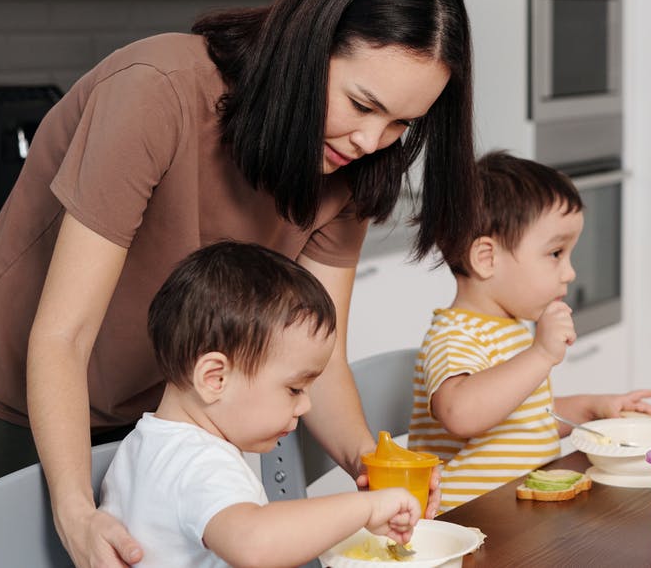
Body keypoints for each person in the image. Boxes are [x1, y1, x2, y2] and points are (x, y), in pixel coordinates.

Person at [0, 0, 477, 567]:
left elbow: (320, 357)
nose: (370, 141)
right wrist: (74, 508)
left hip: (165, 403)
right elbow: (64, 333)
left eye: (400, 126)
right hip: (27, 385)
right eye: (362, 105)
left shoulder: (352, 167)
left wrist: (369, 463)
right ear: (307, 48)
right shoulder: (156, 93)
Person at [98, 241, 421, 568]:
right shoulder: (201, 463)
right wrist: (367, 508)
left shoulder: (142, 445)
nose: (306, 405)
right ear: (215, 379)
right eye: (295, 389)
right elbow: (253, 543)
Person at [407, 151, 651, 511]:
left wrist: (592, 409)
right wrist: (540, 354)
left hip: (518, 520)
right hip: (466, 522)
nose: (570, 272)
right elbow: (461, 414)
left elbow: (524, 419)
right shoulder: (455, 336)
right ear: (486, 258)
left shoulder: (511, 327)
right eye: (556, 253)